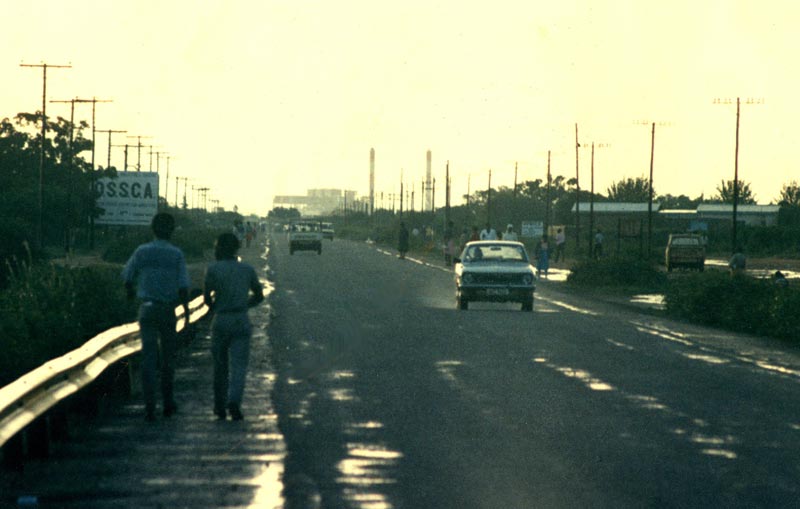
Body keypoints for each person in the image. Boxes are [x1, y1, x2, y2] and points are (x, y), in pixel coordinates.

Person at [122, 213, 190, 422]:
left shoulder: (142, 251)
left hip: (147, 309)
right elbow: (183, 287)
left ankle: (149, 406)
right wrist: (186, 313)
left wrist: (131, 294)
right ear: (171, 230)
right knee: (168, 359)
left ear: (152, 229)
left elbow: (127, 277)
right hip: (167, 311)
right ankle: (168, 403)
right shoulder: (176, 254)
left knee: (148, 359)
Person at [204, 233, 264, 421]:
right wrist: (245, 304)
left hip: (221, 319)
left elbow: (207, 299)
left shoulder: (213, 270)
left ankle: (219, 406)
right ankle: (234, 401)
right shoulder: (246, 269)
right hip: (240, 319)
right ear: (237, 248)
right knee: (239, 366)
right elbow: (259, 295)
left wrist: (217, 307)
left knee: (220, 367)